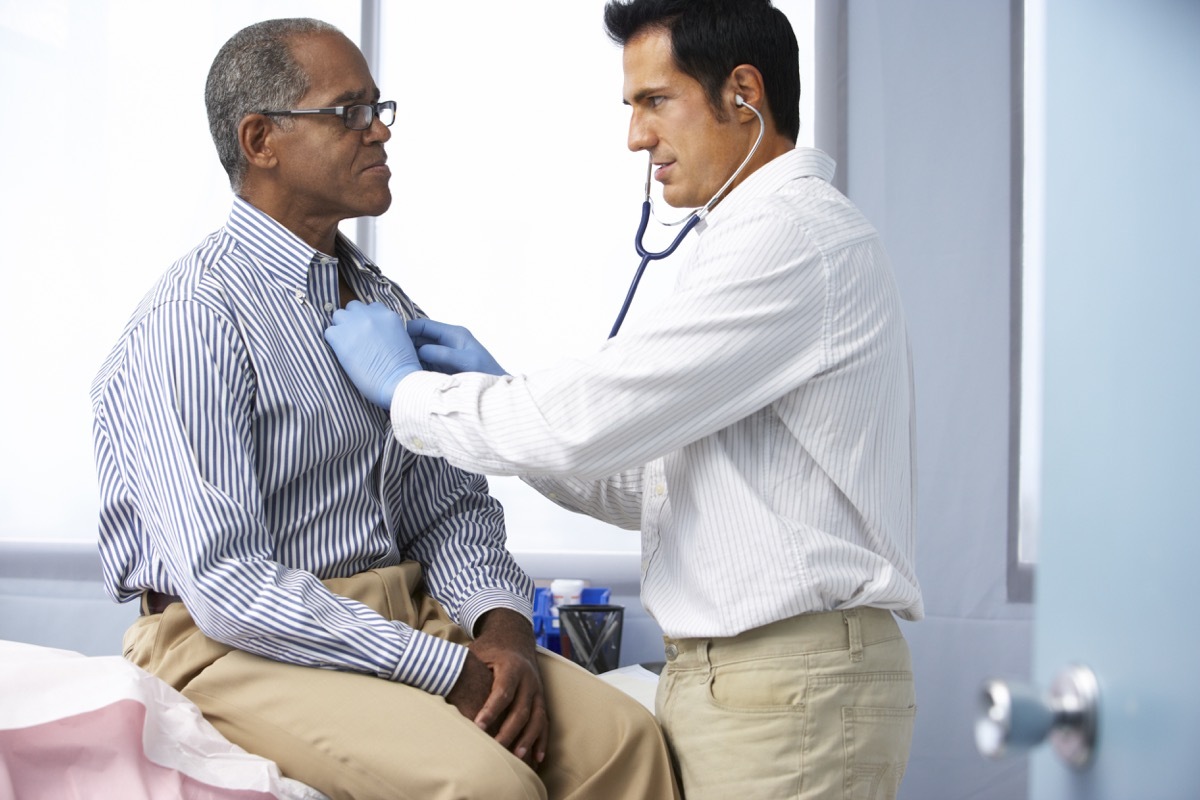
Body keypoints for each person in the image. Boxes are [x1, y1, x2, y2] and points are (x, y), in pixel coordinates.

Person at [324, 1, 924, 798]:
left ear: (744, 93)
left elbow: (581, 426)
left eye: (655, 101)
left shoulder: (790, 240)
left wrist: (411, 393)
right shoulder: (750, 238)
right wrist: (497, 392)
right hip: (749, 683)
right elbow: (655, 485)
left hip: (788, 685)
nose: (636, 139)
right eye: (632, 107)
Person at [89, 17, 679, 800]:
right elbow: (227, 582)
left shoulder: (382, 304)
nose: (380, 133)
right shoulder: (195, 319)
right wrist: (447, 669)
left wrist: (503, 631)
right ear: (260, 139)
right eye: (348, 112)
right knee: (486, 784)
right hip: (233, 643)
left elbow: (447, 509)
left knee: (628, 742)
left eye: (378, 108)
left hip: (402, 616)